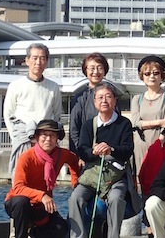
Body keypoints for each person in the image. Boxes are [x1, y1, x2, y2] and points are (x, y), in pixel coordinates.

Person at [68, 82, 141, 238]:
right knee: (75, 198)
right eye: (100, 97)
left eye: (108, 97)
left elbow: (127, 150)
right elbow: (82, 150)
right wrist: (93, 152)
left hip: (115, 176)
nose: (104, 101)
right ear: (94, 102)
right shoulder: (89, 125)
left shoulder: (124, 124)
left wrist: (111, 149)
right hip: (93, 175)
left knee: (115, 198)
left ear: (115, 100)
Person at [4, 119, 81, 238]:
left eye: (52, 135)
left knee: (61, 228)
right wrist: (42, 196)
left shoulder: (62, 154)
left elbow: (74, 162)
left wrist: (76, 186)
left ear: (57, 138)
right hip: (20, 203)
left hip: (41, 206)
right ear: (37, 137)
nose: (48, 139)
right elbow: (18, 187)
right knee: (21, 202)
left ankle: (33, 234)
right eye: (44, 135)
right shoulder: (26, 157)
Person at [131, 55, 165, 235]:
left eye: (156, 73)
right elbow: (135, 122)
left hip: (162, 145)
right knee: (146, 184)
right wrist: (158, 122)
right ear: (142, 76)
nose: (152, 76)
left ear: (162, 75)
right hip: (142, 147)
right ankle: (149, 224)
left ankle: (164, 223)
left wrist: (160, 132)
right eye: (147, 73)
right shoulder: (137, 99)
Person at [3, 42, 62, 178]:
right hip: (22, 139)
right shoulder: (15, 85)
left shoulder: (53, 87)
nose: (38, 62)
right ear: (27, 60)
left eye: (42, 58)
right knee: (21, 180)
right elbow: (8, 114)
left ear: (46, 61)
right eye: (34, 58)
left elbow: (57, 114)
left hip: (45, 142)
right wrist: (15, 138)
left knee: (44, 181)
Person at [69, 52, 111, 155]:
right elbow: (74, 129)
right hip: (87, 152)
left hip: (108, 151)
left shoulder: (111, 94)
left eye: (99, 68)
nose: (96, 72)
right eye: (92, 68)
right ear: (85, 70)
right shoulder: (79, 97)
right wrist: (80, 154)